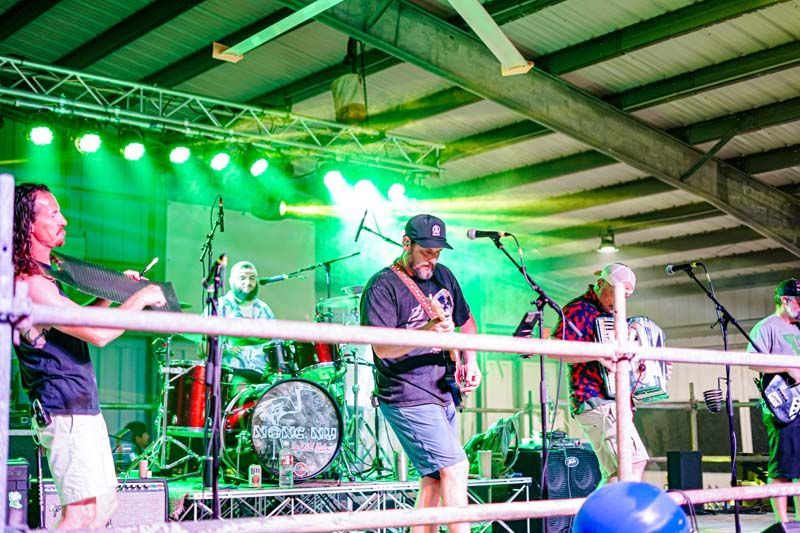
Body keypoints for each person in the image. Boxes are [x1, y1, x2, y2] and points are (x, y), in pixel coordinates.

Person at [12, 183, 167, 529]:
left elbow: (77, 323)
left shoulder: (44, 277)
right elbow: (98, 333)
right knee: (81, 513)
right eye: (54, 213)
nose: (63, 220)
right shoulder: (31, 283)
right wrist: (141, 298)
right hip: (63, 407)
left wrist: (113, 293)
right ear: (28, 224)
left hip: (79, 405)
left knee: (102, 506)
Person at [361, 214, 481, 533]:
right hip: (406, 393)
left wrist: (471, 361)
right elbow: (382, 348)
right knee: (456, 467)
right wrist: (428, 329)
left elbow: (467, 322)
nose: (433, 259)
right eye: (427, 251)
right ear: (406, 243)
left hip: (443, 390)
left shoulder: (444, 275)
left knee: (435, 479)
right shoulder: (383, 285)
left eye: (437, 252)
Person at [550, 263, 650, 485]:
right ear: (600, 284)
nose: (618, 301)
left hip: (611, 401)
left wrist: (648, 368)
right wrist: (598, 354)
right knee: (631, 465)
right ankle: (600, 509)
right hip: (593, 397)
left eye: (625, 297)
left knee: (621, 470)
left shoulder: (614, 316)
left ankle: (600, 508)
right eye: (615, 293)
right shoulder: (578, 309)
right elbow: (554, 349)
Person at [747, 278, 800, 523]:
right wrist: (787, 368)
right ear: (784, 299)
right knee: (782, 466)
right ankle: (783, 524)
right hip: (782, 405)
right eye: (799, 302)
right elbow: (752, 362)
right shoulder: (766, 326)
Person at [203, 260, 276, 377]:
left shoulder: (264, 309)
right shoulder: (217, 307)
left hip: (262, 376)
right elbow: (201, 348)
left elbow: (275, 345)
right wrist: (225, 349)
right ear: (231, 281)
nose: (248, 282)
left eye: (252, 278)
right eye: (242, 278)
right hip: (227, 376)